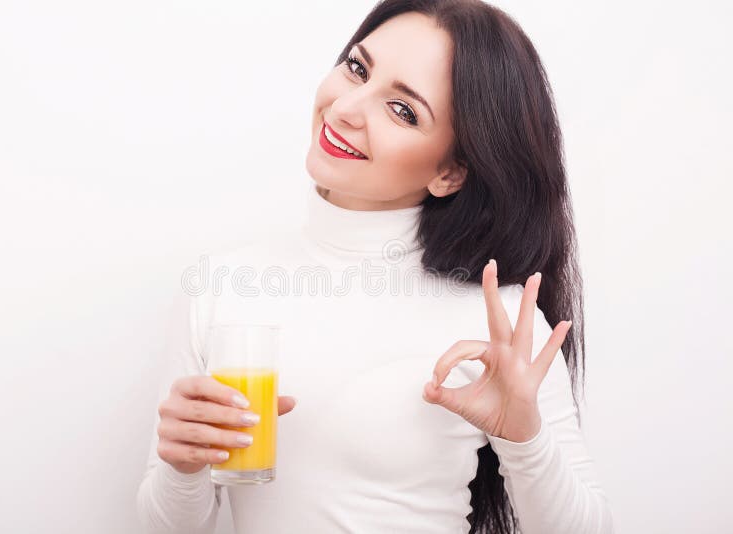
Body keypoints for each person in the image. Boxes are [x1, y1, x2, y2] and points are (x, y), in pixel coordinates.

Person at [137, 1, 615, 532]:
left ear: (451, 173)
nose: (345, 107)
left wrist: (523, 439)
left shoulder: (496, 322)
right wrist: (183, 467)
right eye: (358, 68)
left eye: (403, 109)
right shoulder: (221, 288)